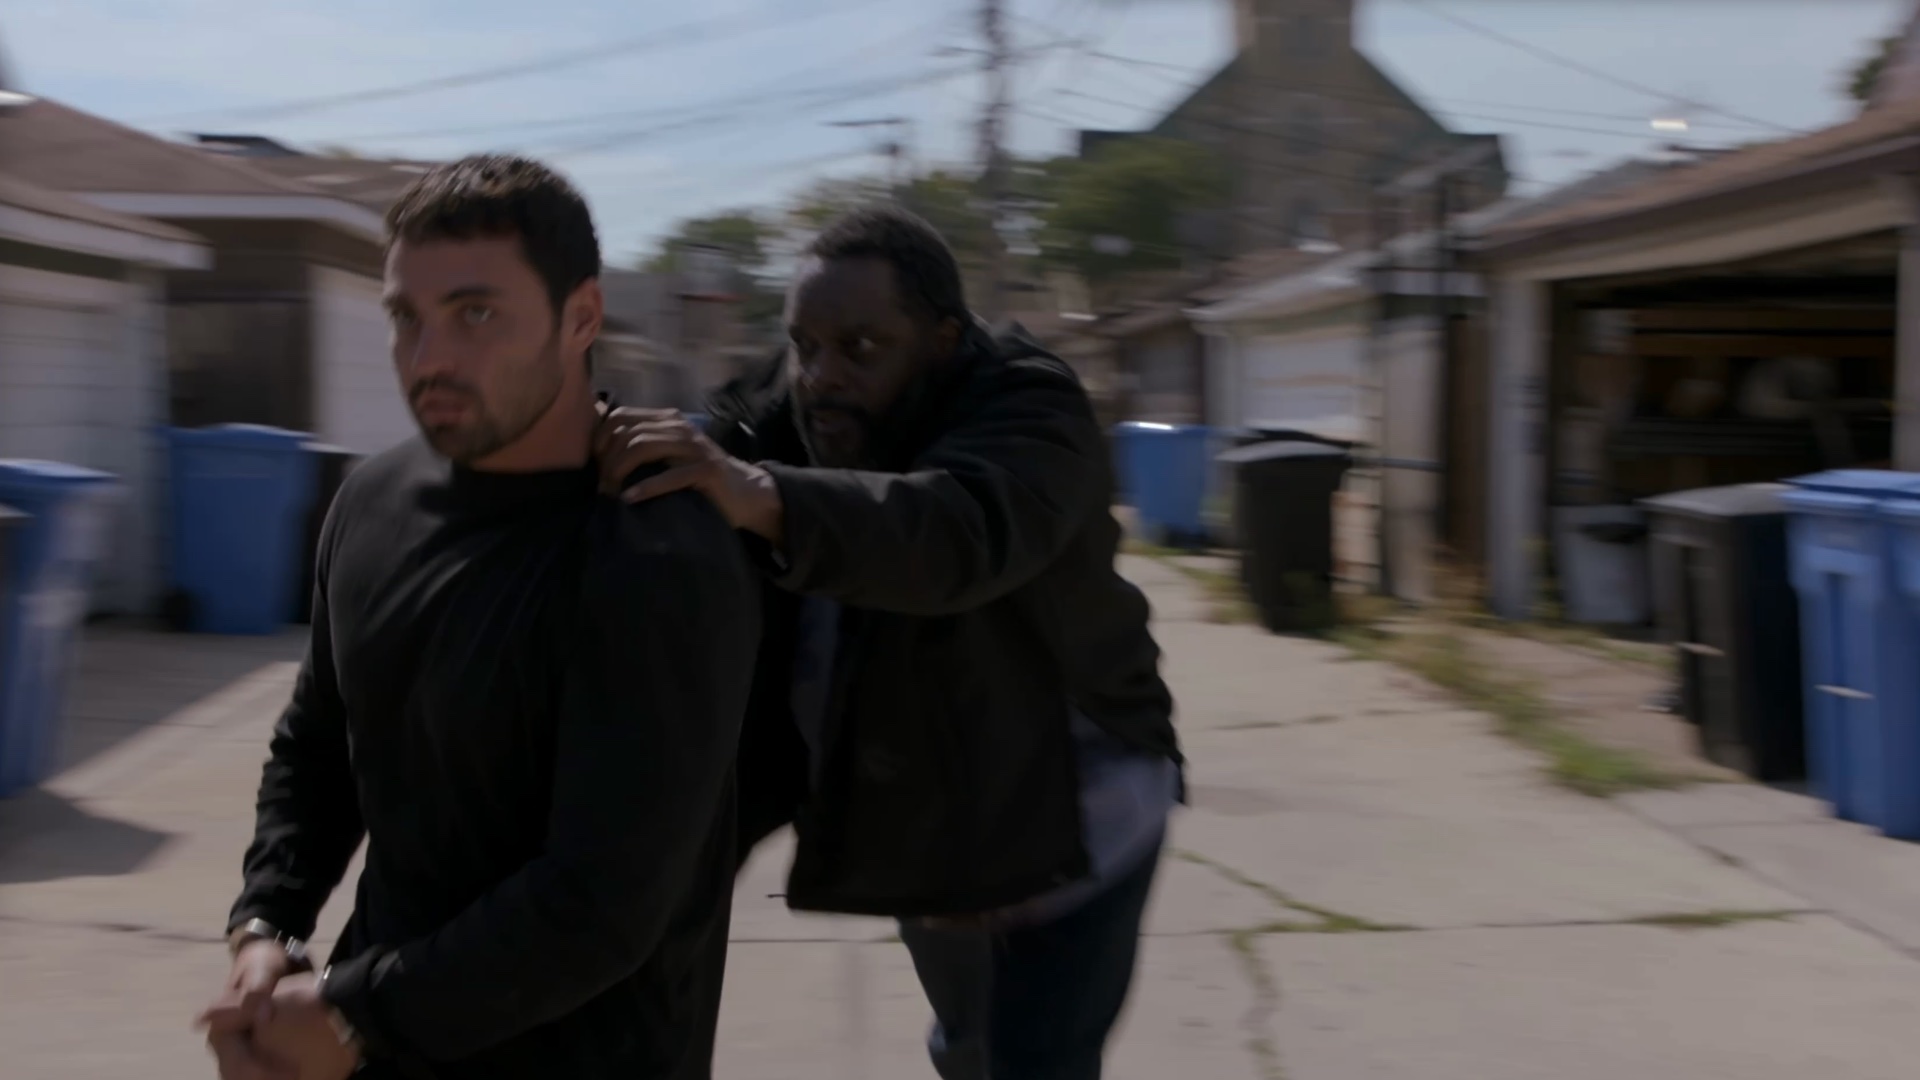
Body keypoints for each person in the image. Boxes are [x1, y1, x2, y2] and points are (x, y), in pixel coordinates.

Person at [196, 155, 758, 1080]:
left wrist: (353, 1017)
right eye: (405, 318)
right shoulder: (370, 503)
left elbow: (603, 901)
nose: (428, 359)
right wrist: (268, 929)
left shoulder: (659, 551)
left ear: (582, 317)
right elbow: (317, 748)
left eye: (476, 314)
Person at [597, 205, 1181, 1079]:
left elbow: (954, 532)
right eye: (805, 345)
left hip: (1080, 814)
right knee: (968, 1042)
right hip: (929, 810)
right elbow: (711, 441)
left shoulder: (1031, 406)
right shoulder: (794, 407)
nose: (822, 374)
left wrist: (761, 494)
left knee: (1037, 1058)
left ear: (943, 340)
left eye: (861, 348)